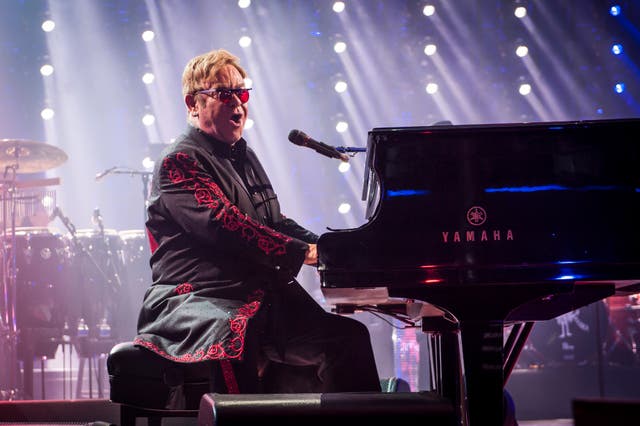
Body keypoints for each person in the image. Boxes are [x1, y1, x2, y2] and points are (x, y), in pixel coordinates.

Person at [133, 48, 381, 398]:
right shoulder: (179, 160)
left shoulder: (243, 154)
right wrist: (304, 253)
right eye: (224, 93)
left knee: (348, 340)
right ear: (193, 104)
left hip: (258, 297)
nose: (237, 102)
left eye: (241, 93)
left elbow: (273, 221)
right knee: (235, 330)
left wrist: (330, 250)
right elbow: (224, 225)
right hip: (196, 297)